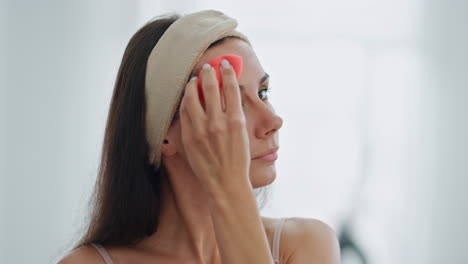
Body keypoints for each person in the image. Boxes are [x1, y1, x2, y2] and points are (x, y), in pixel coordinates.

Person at [58, 9, 340, 264]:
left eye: (262, 93)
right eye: (231, 103)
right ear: (165, 135)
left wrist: (231, 188)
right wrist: (230, 184)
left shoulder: (305, 246)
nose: (273, 121)